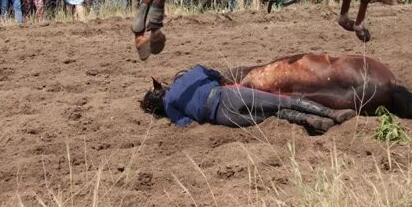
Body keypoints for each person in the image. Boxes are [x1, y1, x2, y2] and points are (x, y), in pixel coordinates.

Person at [141, 65, 355, 134]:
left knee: (273, 113)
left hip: (222, 117)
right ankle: (331, 113)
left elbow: (186, 124)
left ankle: (313, 122)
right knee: (282, 101)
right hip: (227, 95)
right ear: (164, 86)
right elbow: (216, 75)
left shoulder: (170, 107)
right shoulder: (191, 73)